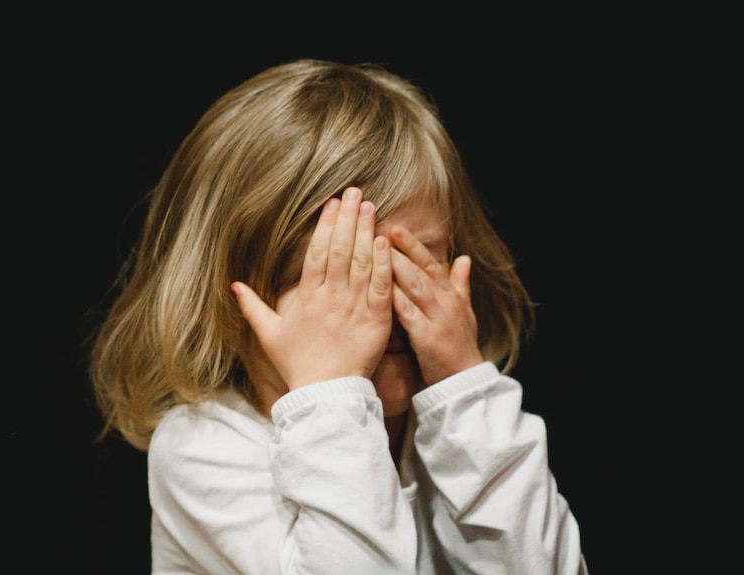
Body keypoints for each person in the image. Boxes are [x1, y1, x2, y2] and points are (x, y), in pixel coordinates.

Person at [90, 58, 589, 574]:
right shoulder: (203, 448)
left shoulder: (460, 430)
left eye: (413, 261)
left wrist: (466, 392)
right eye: (342, 274)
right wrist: (331, 393)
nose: (382, 303)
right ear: (235, 296)